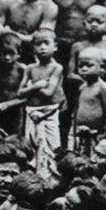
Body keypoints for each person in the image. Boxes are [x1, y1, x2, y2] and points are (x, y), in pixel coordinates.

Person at [18, 29, 64, 178]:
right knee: (31, 146)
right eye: (38, 44)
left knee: (51, 146)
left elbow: (49, 93)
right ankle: (33, 177)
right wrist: (36, 86)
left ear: (55, 46)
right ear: (33, 48)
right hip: (31, 111)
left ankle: (51, 178)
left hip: (49, 113)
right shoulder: (30, 68)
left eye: (46, 43)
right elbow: (20, 92)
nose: (42, 47)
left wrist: (30, 88)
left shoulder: (56, 68)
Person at [72, 46, 106, 151]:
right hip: (82, 132)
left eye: (89, 65)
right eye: (81, 66)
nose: (84, 69)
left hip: (97, 133)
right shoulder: (82, 87)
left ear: (100, 67)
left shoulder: (103, 87)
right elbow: (77, 109)